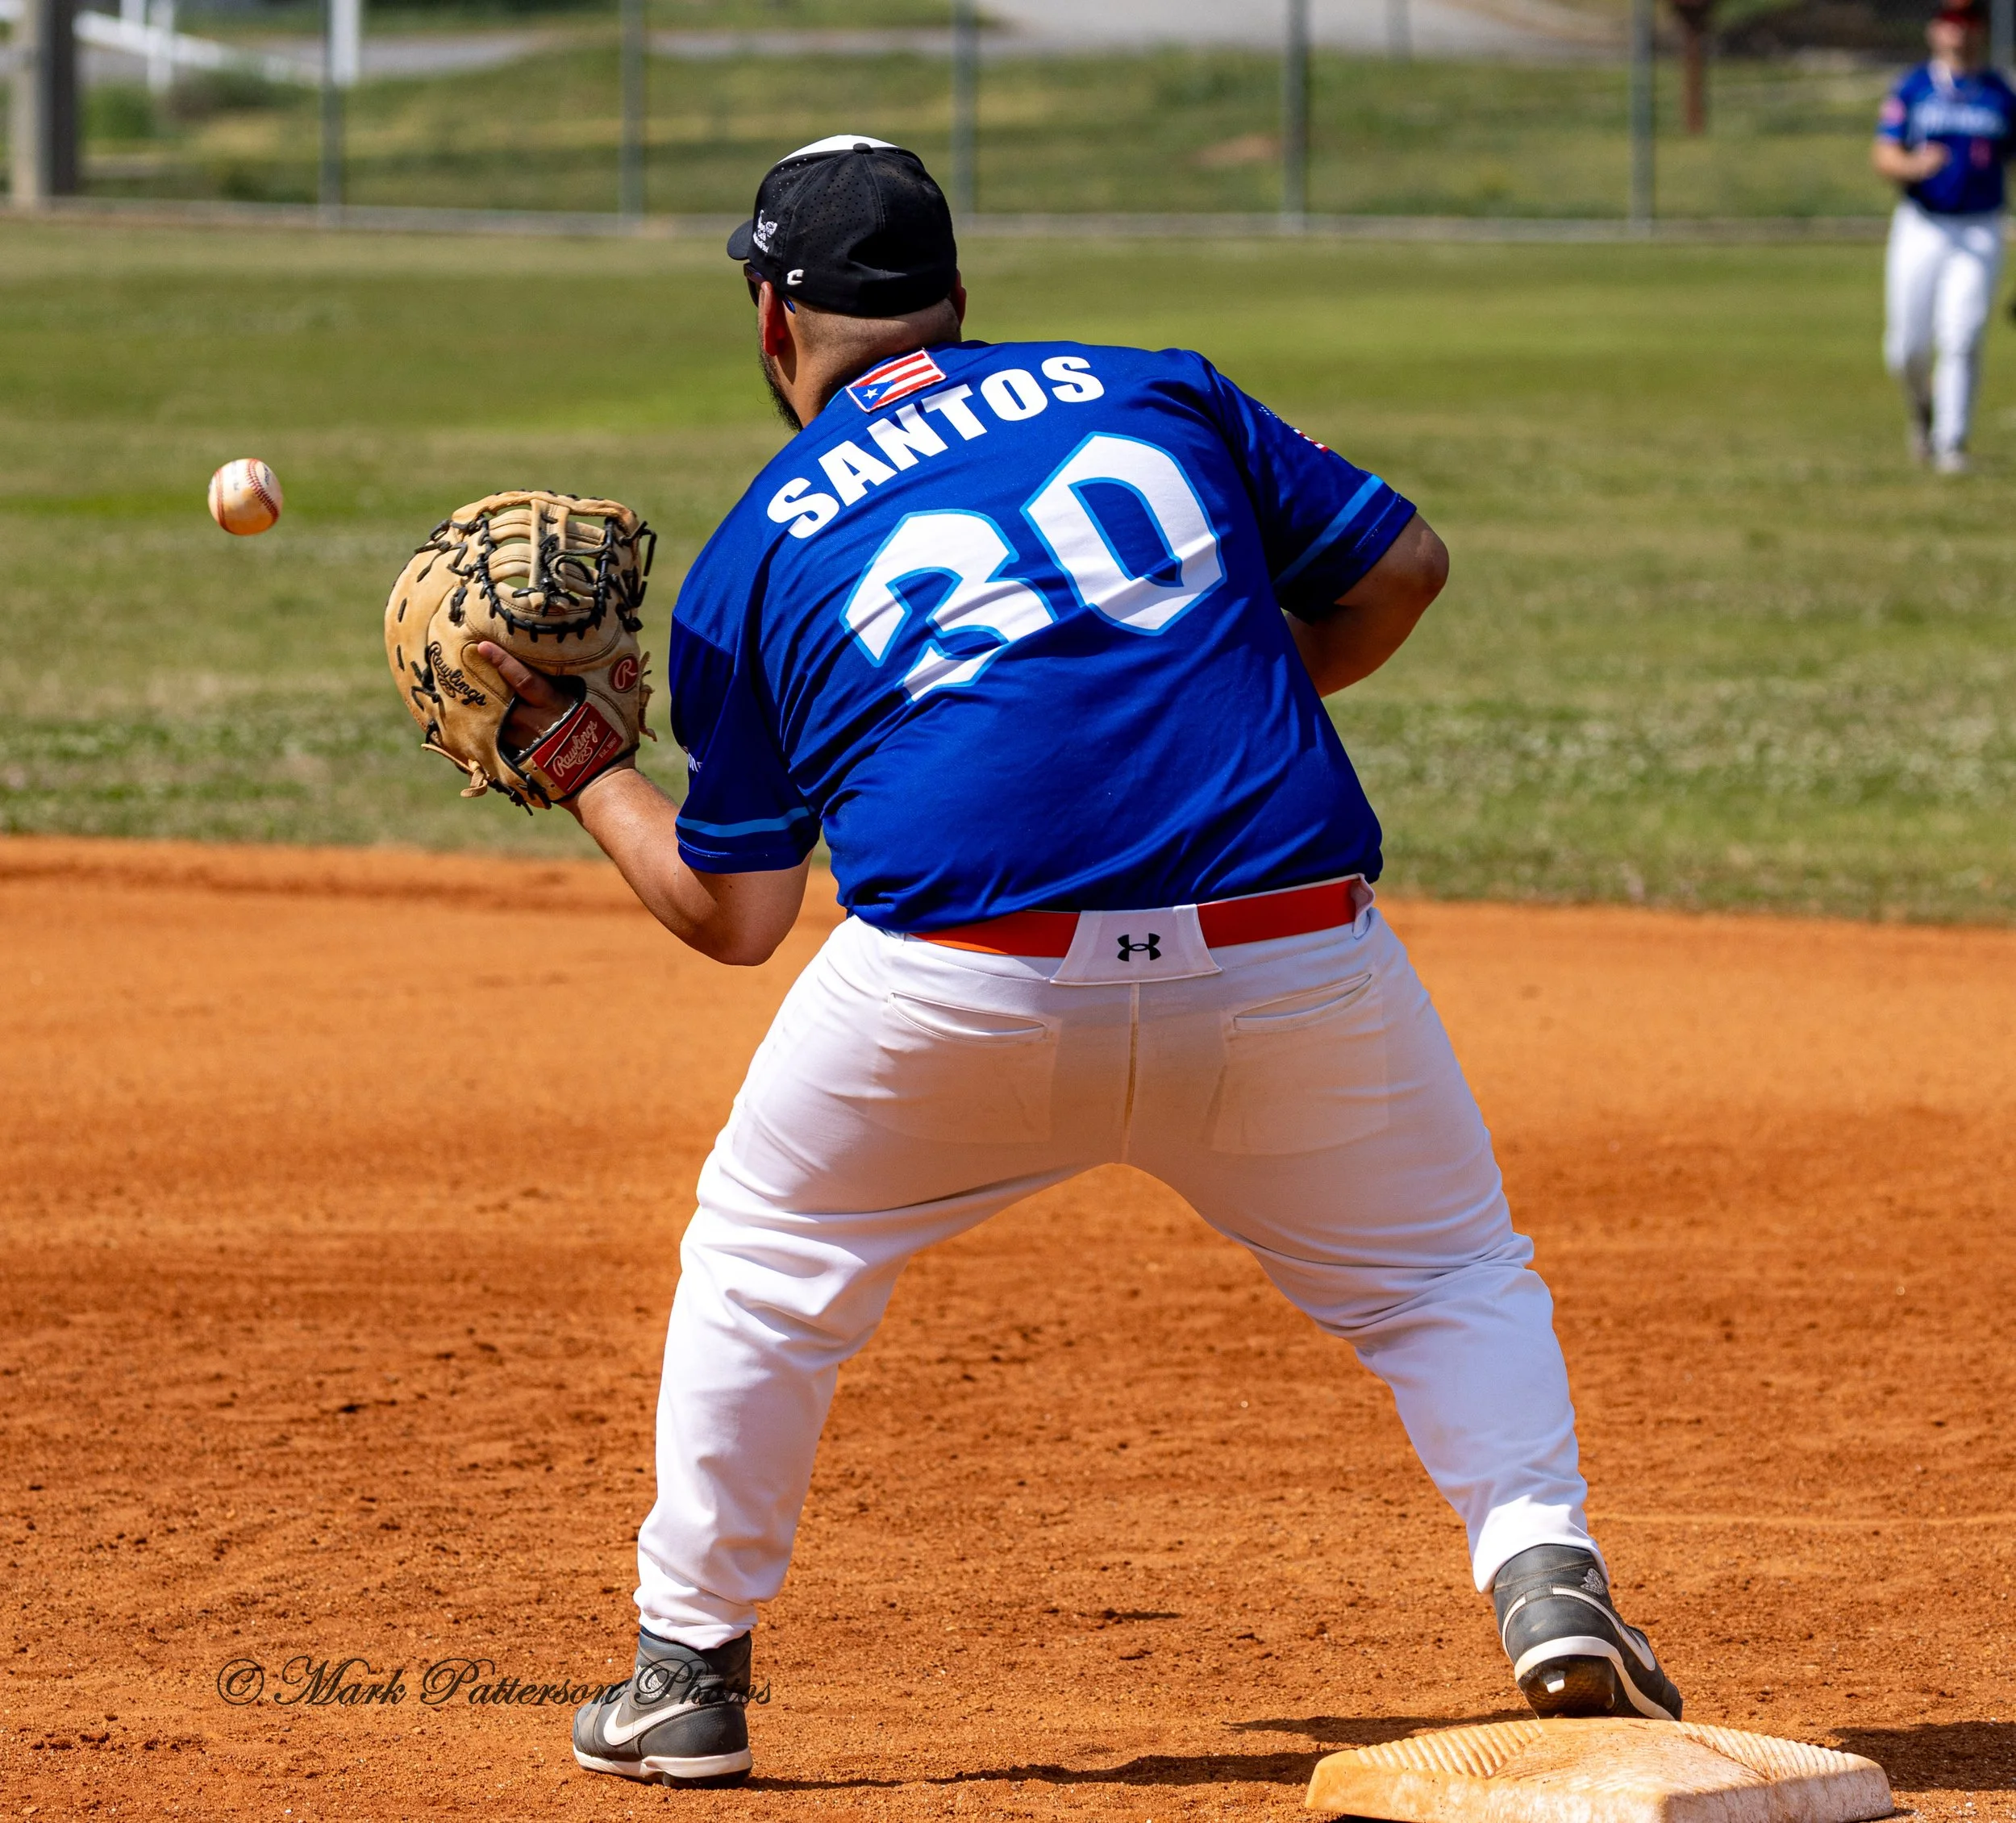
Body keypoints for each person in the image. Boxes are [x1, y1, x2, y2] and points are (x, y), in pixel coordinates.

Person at [478, 135, 1683, 1788]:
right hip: (1286, 959)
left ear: (772, 323)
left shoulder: (752, 550)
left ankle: (686, 1666)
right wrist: (1216, 701)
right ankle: (1544, 1568)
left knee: (765, 1258)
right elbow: (1402, 565)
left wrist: (574, 761)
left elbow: (733, 915)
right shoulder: (1154, 386)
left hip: (958, 993)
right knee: (1438, 1274)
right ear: (961, 303)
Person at [1872, 0, 2015, 472]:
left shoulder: (1999, 92)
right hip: (1923, 224)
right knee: (1905, 347)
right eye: (1951, 22)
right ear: (1936, 30)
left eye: (1968, 22)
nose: (1959, 32)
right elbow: (1884, 155)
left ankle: (1951, 443)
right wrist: (1915, 166)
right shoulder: (1914, 88)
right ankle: (1923, 411)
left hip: (1979, 225)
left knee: (1963, 333)